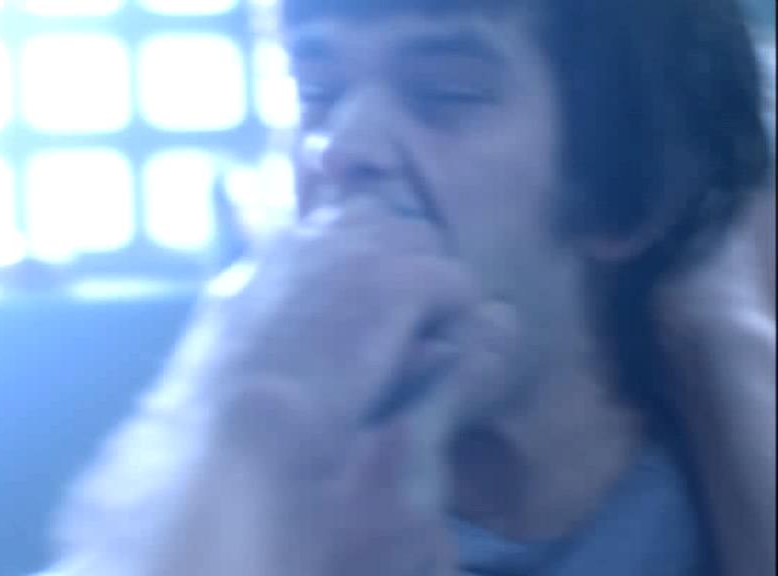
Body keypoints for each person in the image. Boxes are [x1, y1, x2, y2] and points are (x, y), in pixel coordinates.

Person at [41, 0, 775, 574]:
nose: (340, 150)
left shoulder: (719, 484)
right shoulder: (240, 495)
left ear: (625, 190)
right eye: (316, 90)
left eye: (445, 93)